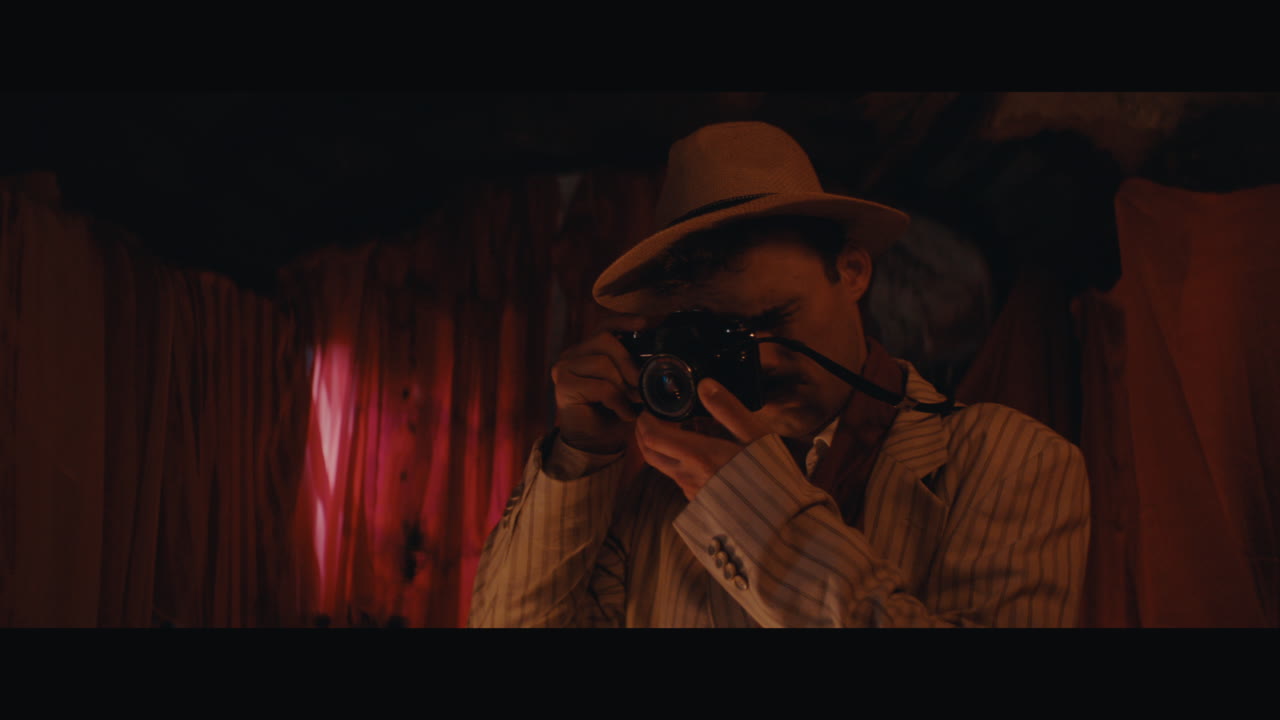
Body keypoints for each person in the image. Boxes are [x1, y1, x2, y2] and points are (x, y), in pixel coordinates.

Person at [468, 121, 1090, 628]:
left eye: (776, 317)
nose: (760, 357)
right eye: (721, 336)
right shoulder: (656, 504)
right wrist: (578, 458)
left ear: (852, 271)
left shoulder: (1015, 462)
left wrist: (753, 507)